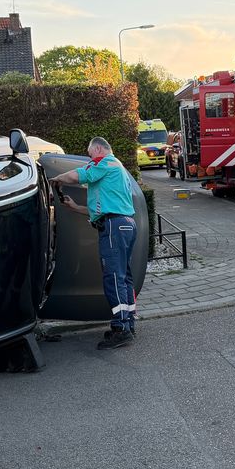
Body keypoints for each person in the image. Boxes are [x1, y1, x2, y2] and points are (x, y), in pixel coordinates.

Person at [50, 137, 140, 349]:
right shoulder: (117, 168)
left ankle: (120, 329)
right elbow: (102, 209)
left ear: (98, 148)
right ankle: (128, 323)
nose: (90, 159)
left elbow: (77, 175)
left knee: (113, 277)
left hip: (114, 227)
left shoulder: (104, 161)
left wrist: (57, 179)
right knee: (123, 277)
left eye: (90, 155)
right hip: (125, 224)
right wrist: (75, 207)